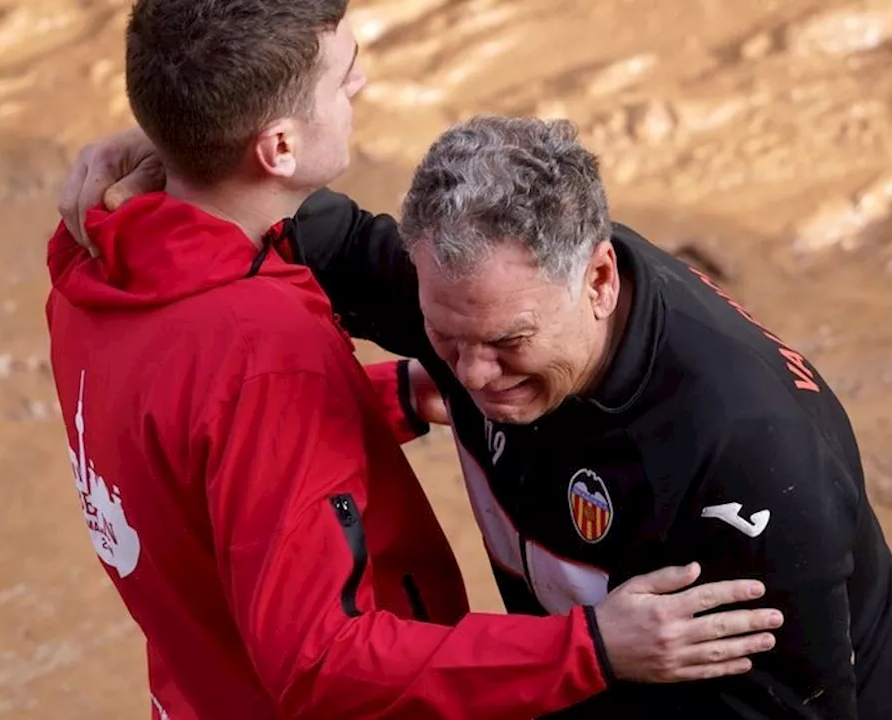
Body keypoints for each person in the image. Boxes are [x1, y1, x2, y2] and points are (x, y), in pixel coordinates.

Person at [45, 3, 785, 719]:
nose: (359, 87)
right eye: (343, 76)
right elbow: (318, 662)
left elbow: (184, 442)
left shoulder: (94, 260)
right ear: (278, 148)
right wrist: (591, 648)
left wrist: (390, 393)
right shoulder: (262, 350)